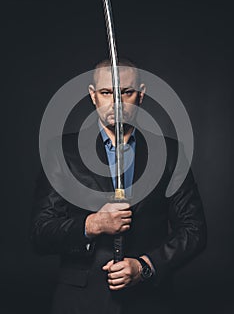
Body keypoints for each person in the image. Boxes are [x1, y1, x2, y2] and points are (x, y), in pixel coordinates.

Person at [31, 59, 207, 314]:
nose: (116, 101)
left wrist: (145, 266)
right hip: (81, 302)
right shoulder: (61, 152)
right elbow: (40, 234)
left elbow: (195, 230)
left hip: (149, 301)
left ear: (141, 94)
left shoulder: (170, 153)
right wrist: (93, 225)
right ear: (93, 96)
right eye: (106, 92)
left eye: (126, 92)